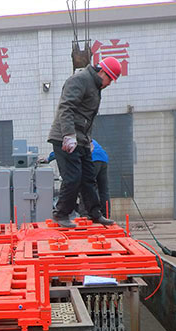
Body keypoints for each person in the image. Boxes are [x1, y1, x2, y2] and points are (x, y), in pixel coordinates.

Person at [47, 57, 121, 228]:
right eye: (110, 79)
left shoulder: (95, 86)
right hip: (64, 137)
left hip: (82, 139)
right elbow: (67, 108)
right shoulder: (80, 80)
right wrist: (68, 135)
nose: (109, 83)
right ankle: (61, 213)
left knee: (88, 177)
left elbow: (86, 117)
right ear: (102, 72)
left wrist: (88, 140)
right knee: (73, 177)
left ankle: (95, 213)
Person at [48, 138, 110, 218]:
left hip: (93, 159)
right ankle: (105, 215)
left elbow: (60, 150)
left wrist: (48, 159)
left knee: (86, 187)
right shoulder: (86, 137)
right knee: (103, 190)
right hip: (103, 160)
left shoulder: (73, 138)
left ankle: (85, 216)